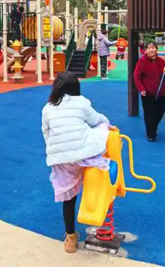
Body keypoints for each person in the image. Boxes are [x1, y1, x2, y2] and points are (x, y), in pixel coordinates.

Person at [41, 72, 112, 253]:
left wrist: (57, 150)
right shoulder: (81, 102)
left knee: (69, 198)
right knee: (101, 129)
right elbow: (96, 120)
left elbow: (46, 133)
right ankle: (96, 201)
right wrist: (107, 124)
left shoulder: (48, 108)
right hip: (84, 156)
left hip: (61, 160)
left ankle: (70, 238)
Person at [133, 42, 165, 142]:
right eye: (149, 48)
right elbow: (137, 77)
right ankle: (151, 134)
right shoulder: (141, 62)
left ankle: (153, 126)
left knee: (161, 110)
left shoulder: (161, 61)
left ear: (156, 49)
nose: (151, 49)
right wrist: (141, 89)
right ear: (146, 50)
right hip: (147, 93)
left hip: (161, 92)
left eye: (153, 47)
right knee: (149, 114)